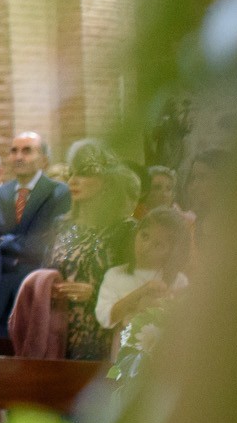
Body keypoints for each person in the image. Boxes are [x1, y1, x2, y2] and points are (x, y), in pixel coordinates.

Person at [47, 140, 138, 361]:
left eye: (84, 174)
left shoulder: (125, 230)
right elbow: (46, 270)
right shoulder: (62, 225)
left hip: (104, 334)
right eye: (71, 174)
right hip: (60, 332)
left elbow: (138, 286)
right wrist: (49, 287)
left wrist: (95, 293)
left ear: (106, 181)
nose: (73, 181)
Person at [94, 206, 190, 333]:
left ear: (170, 252)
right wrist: (141, 292)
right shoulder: (116, 275)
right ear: (136, 232)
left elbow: (185, 324)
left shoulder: (179, 281)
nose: (146, 247)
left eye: (158, 244)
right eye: (144, 236)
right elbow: (106, 318)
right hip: (125, 348)